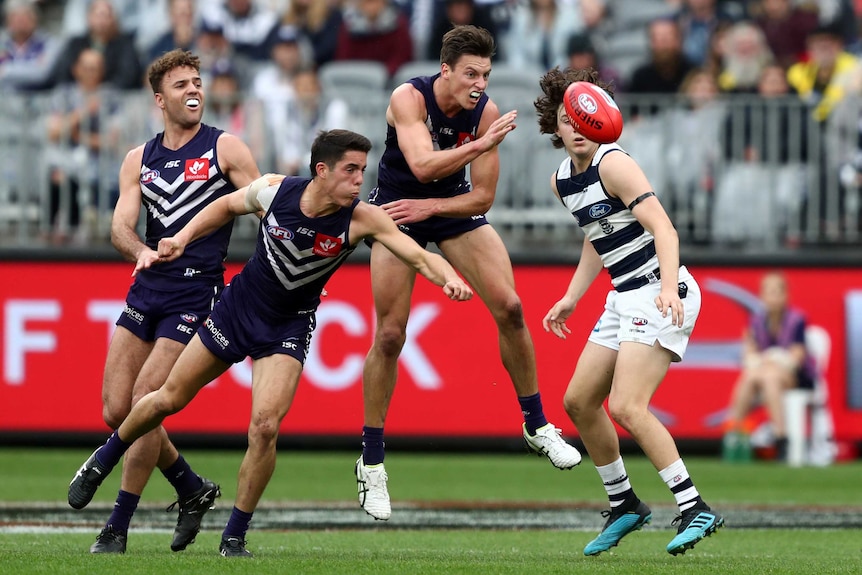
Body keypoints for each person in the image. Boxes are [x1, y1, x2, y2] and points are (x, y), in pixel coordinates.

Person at [69, 129, 475, 558]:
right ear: (322, 171)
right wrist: (182, 238)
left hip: (288, 328)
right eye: (351, 170)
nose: (360, 181)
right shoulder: (273, 191)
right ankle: (102, 460)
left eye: (363, 170)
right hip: (236, 312)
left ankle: (234, 537)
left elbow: (415, 254)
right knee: (167, 398)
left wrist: (446, 275)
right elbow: (224, 205)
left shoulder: (361, 219)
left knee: (264, 427)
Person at [355, 24, 582, 523]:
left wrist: (435, 206)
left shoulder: (487, 113)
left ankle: (537, 424)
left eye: (486, 74)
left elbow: (481, 198)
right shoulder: (408, 98)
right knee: (391, 335)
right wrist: (477, 150)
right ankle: (372, 462)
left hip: (447, 206)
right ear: (445, 70)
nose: (479, 84)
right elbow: (419, 165)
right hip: (396, 210)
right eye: (470, 74)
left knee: (512, 307)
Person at [70, 48, 262, 554]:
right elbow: (119, 226)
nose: (193, 90)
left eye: (197, 81)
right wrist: (140, 251)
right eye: (181, 85)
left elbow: (265, 206)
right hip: (147, 287)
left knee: (144, 404)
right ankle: (190, 487)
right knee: (117, 410)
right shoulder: (139, 158)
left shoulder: (227, 149)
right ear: (159, 99)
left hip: (196, 290)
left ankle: (116, 526)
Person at [533, 66, 723, 556]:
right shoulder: (561, 181)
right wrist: (573, 296)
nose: (573, 127)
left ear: (598, 123)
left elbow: (665, 230)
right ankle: (624, 505)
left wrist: (667, 289)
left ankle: (693, 505)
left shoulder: (615, 164)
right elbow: (599, 239)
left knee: (626, 406)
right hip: (624, 295)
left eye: (580, 119)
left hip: (661, 288)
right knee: (578, 402)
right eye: (565, 119)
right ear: (555, 126)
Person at [724, 271, 817, 462]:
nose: (773, 297)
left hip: (795, 377)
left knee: (770, 376)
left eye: (777, 292)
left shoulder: (796, 319)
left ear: (785, 295)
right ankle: (735, 434)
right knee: (751, 377)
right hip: (763, 375)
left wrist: (771, 359)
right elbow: (748, 352)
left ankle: (781, 438)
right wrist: (760, 360)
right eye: (768, 292)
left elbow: (796, 356)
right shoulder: (756, 321)